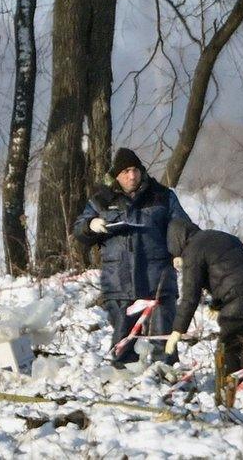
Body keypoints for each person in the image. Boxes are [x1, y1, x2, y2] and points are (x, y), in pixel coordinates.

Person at [73, 148, 191, 364]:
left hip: (158, 278)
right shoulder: (101, 200)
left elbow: (181, 225)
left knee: (163, 338)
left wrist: (180, 250)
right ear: (117, 175)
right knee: (123, 339)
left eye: (135, 170)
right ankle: (124, 377)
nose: (132, 176)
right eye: (126, 171)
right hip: (119, 279)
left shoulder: (162, 196)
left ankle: (164, 376)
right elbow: (79, 229)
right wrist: (91, 225)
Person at [163, 219, 243, 383]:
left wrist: (177, 330)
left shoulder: (192, 251)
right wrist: (216, 304)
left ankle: (228, 393)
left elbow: (190, 296)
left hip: (241, 301)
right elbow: (228, 271)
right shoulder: (218, 236)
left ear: (176, 241)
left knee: (228, 348)